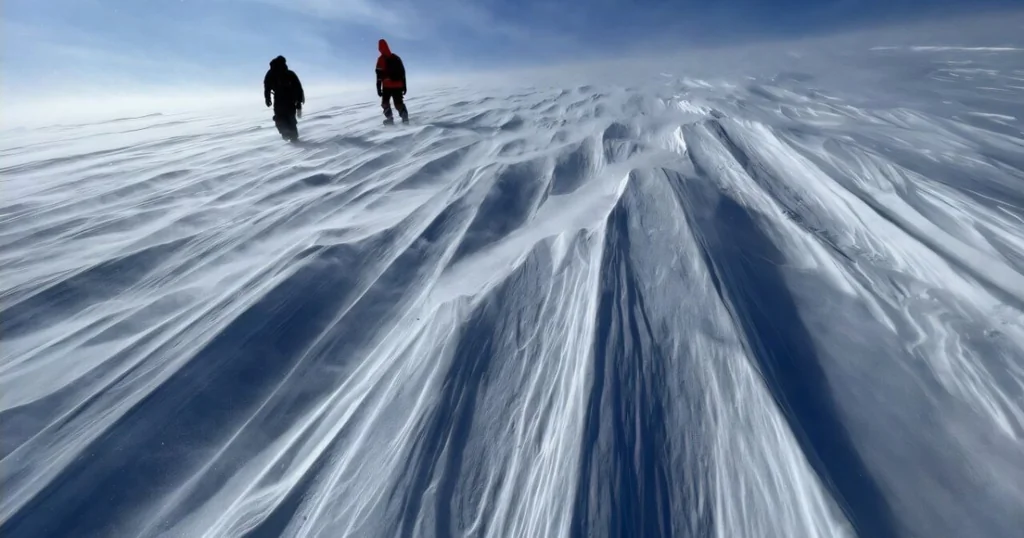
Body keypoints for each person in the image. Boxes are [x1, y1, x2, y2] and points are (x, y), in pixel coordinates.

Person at [264, 55, 305, 141]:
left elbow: (267, 87)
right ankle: (291, 136)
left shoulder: (273, 73)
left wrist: (267, 98)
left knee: (283, 117)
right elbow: (298, 88)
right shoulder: (285, 73)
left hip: (284, 99)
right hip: (286, 99)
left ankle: (288, 135)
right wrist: (299, 102)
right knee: (287, 118)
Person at [375, 39, 408, 124]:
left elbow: (379, 76)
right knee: (398, 103)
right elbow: (403, 72)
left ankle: (389, 119)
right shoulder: (396, 57)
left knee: (385, 103)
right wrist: (404, 86)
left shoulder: (381, 59)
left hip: (387, 86)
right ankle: (404, 117)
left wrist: (378, 88)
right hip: (398, 85)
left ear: (379, 48)